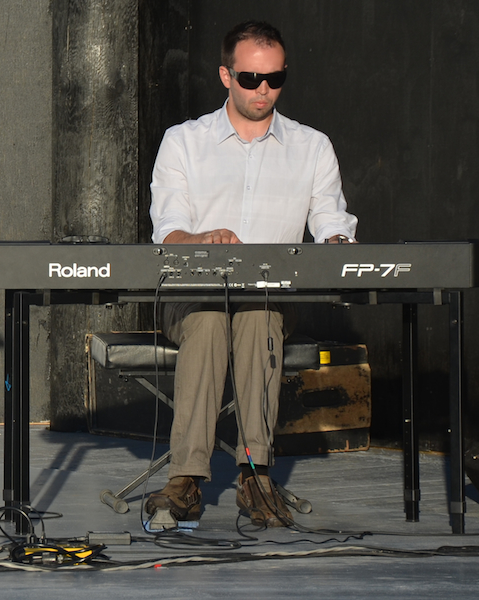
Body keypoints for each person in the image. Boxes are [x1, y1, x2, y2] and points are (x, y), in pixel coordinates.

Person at [146, 21, 357, 527]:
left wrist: (336, 243)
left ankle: (255, 473)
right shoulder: (183, 142)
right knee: (208, 319)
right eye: (249, 78)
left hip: (266, 299)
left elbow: (331, 221)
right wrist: (201, 240)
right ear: (225, 75)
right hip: (192, 299)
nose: (262, 88)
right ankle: (187, 480)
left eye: (274, 78)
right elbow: (167, 231)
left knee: (258, 315)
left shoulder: (312, 147)